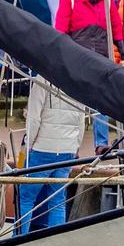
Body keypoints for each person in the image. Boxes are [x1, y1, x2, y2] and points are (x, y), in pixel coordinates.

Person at [17, 78, 85, 235]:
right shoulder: (77, 81)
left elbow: (33, 118)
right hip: (67, 150)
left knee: (26, 197)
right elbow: (81, 121)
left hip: (42, 148)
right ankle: (56, 240)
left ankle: (19, 239)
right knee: (57, 200)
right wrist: (75, 147)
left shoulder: (42, 80)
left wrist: (29, 145)